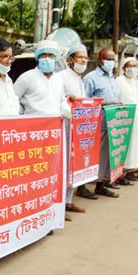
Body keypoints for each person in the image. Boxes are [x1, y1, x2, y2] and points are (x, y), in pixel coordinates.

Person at [83, 48, 120, 198]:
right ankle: (83, 187)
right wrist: (104, 104)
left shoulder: (112, 78)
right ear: (100, 60)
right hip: (96, 125)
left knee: (107, 157)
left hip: (112, 123)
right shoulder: (90, 78)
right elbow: (84, 102)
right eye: (107, 59)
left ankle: (101, 185)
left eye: (113, 60)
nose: (110, 62)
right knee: (91, 156)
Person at [58, 43, 88, 214]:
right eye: (80, 58)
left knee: (74, 165)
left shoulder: (79, 78)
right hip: (66, 129)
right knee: (64, 166)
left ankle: (69, 201)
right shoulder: (62, 76)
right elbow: (58, 97)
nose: (83, 61)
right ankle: (61, 205)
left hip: (79, 131)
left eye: (85, 58)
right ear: (70, 60)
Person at [13, 39, 65, 116]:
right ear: (38, 57)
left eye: (51, 55)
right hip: (31, 126)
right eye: (44, 55)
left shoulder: (58, 79)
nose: (47, 58)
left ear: (55, 58)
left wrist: (65, 109)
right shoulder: (26, 77)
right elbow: (12, 100)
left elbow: (62, 100)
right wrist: (22, 115)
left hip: (54, 126)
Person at [114, 57, 138, 184]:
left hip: (133, 118)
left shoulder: (134, 82)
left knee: (130, 146)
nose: (132, 69)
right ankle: (117, 175)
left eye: (135, 66)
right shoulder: (119, 81)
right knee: (120, 146)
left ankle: (125, 173)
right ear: (124, 68)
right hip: (121, 118)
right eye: (130, 66)